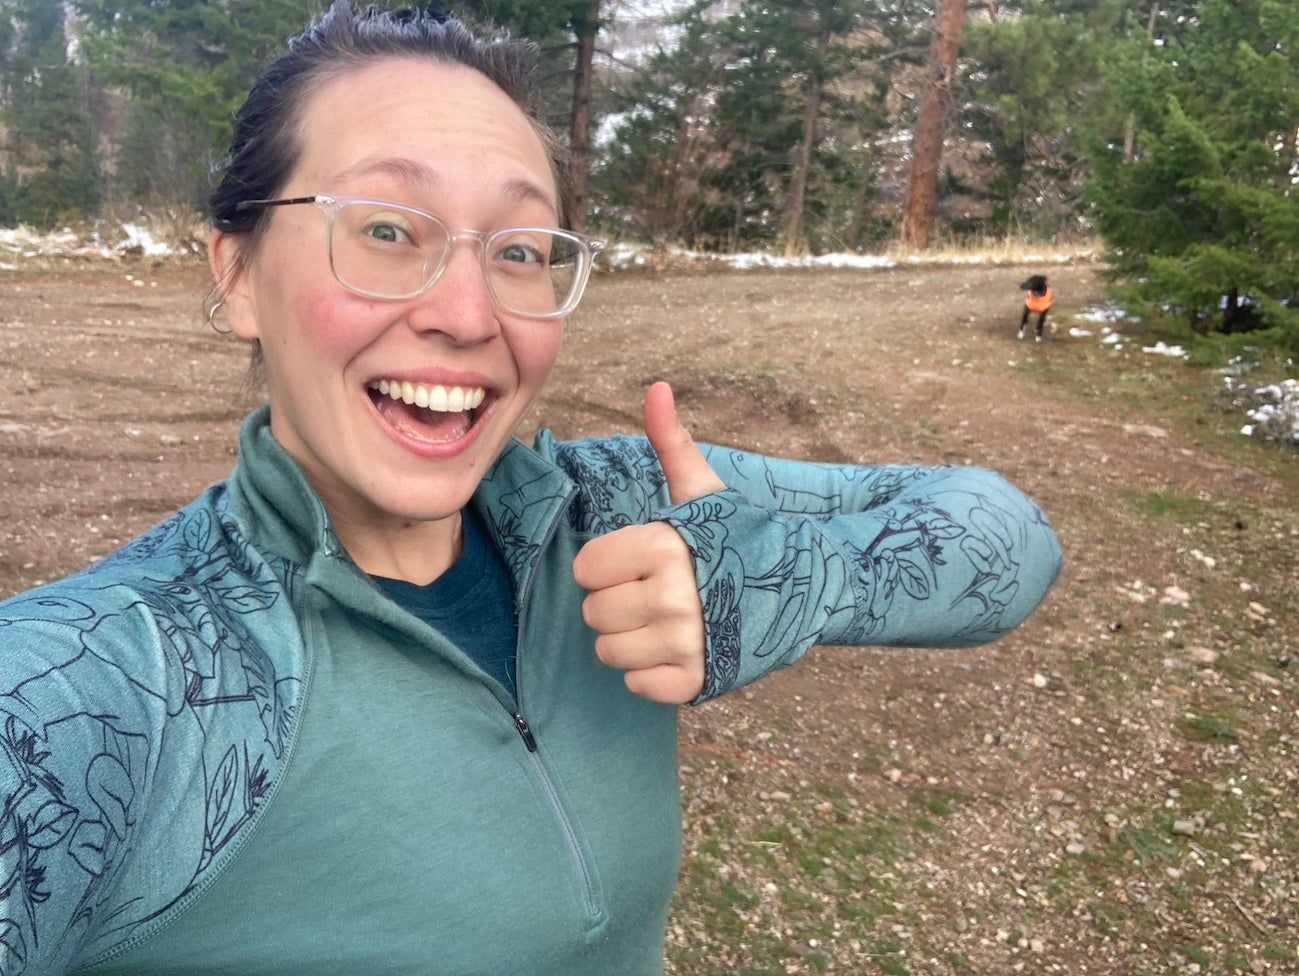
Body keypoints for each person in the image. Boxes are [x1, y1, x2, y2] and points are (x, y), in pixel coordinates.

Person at [0, 4, 1063, 974]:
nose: (469, 312)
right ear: (235, 272)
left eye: (517, 248)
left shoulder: (618, 506)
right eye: (385, 228)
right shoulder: (129, 680)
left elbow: (1010, 531)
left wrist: (793, 581)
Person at [1019, 274, 1054, 342]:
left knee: (1042, 318)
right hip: (1031, 303)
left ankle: (1038, 332)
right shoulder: (1033, 291)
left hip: (1042, 304)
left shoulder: (1048, 293)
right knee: (1025, 315)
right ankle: (1022, 329)